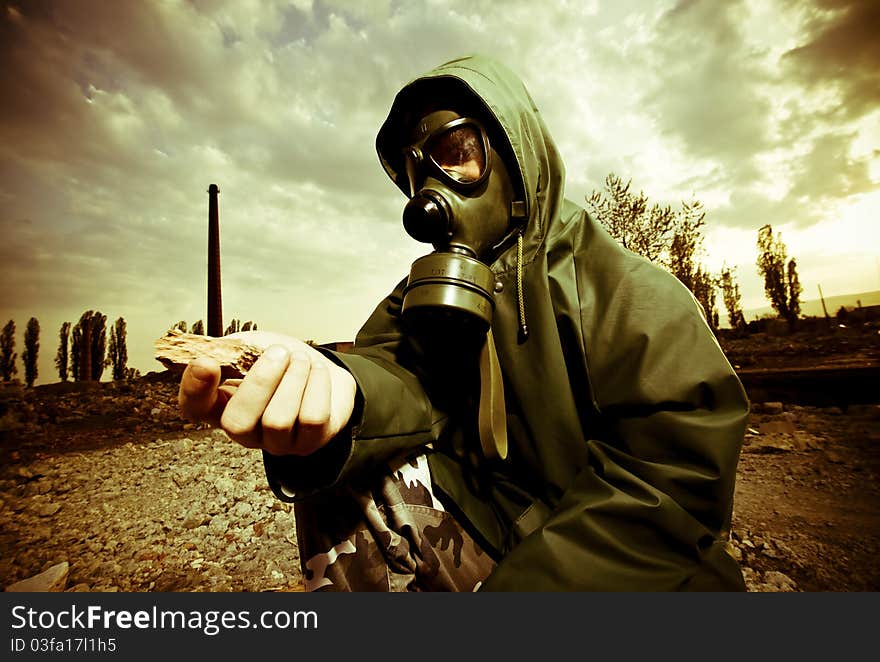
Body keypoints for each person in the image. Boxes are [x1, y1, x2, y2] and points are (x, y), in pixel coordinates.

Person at [178, 54, 749, 591]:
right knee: (341, 455)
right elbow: (392, 373)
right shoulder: (422, 296)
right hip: (504, 526)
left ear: (513, 156)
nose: (428, 194)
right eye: (414, 172)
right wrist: (340, 394)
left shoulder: (627, 293)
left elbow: (671, 486)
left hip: (622, 578)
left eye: (454, 150)